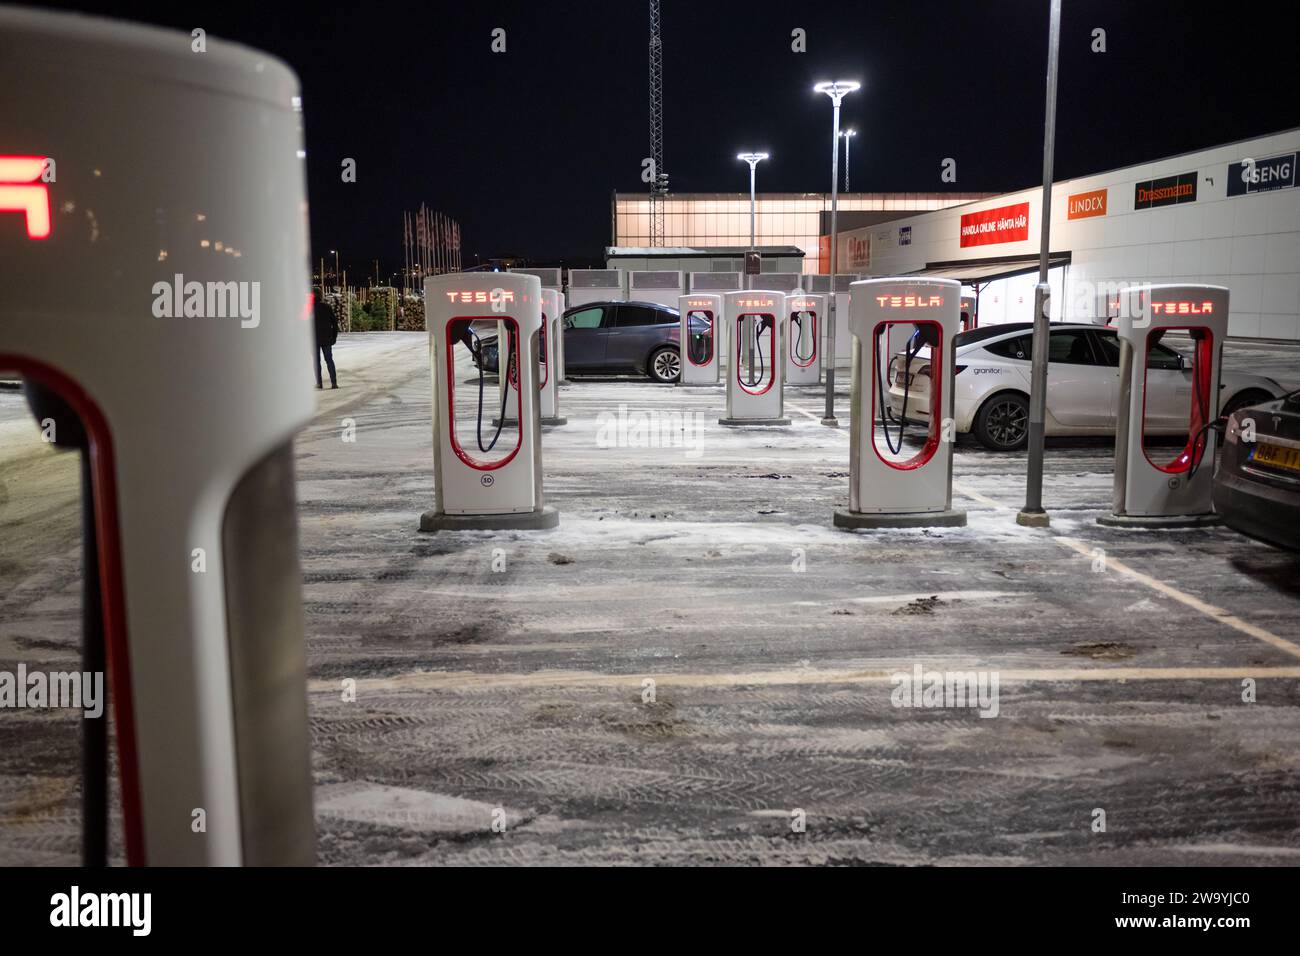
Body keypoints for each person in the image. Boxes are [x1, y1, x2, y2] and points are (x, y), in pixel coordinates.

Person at [313, 291, 339, 389]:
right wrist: (334, 337)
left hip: (314, 339)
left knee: (316, 361)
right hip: (327, 338)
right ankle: (334, 383)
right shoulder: (327, 307)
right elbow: (335, 324)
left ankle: (319, 383)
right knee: (329, 360)